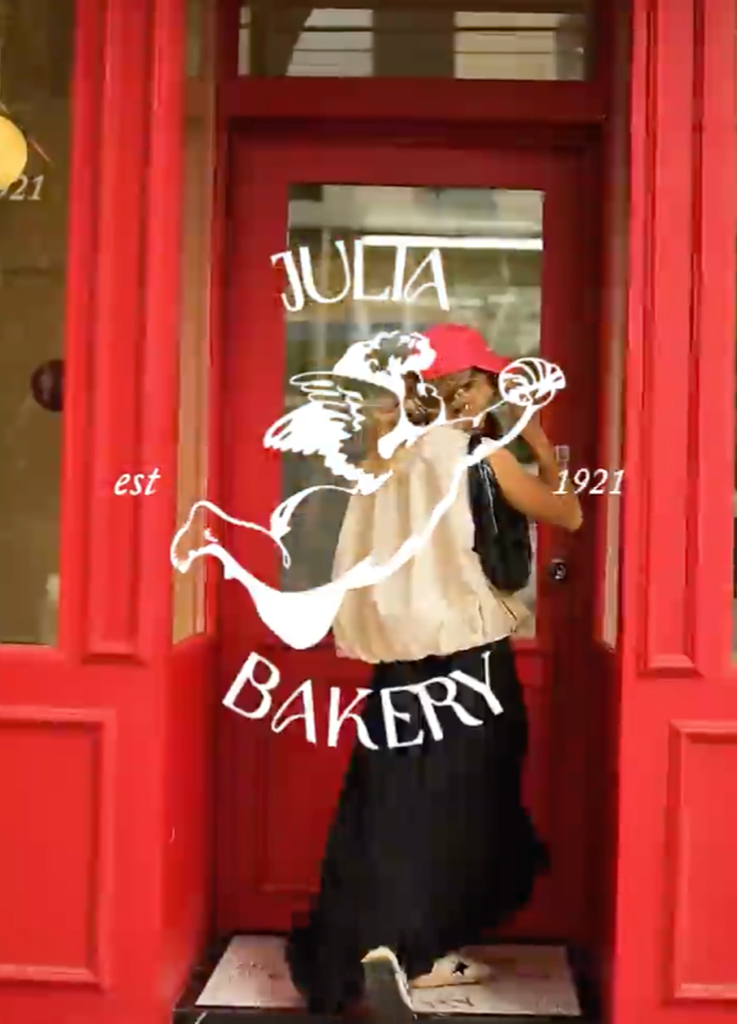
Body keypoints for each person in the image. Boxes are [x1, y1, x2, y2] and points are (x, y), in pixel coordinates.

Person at [284, 323, 583, 1019]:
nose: (496, 395)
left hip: (399, 656)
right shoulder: (479, 452)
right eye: (489, 383)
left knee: (391, 799)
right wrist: (542, 446)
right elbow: (566, 511)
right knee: (466, 800)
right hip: (468, 654)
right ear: (466, 388)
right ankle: (424, 951)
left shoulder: (383, 452)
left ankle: (380, 945)